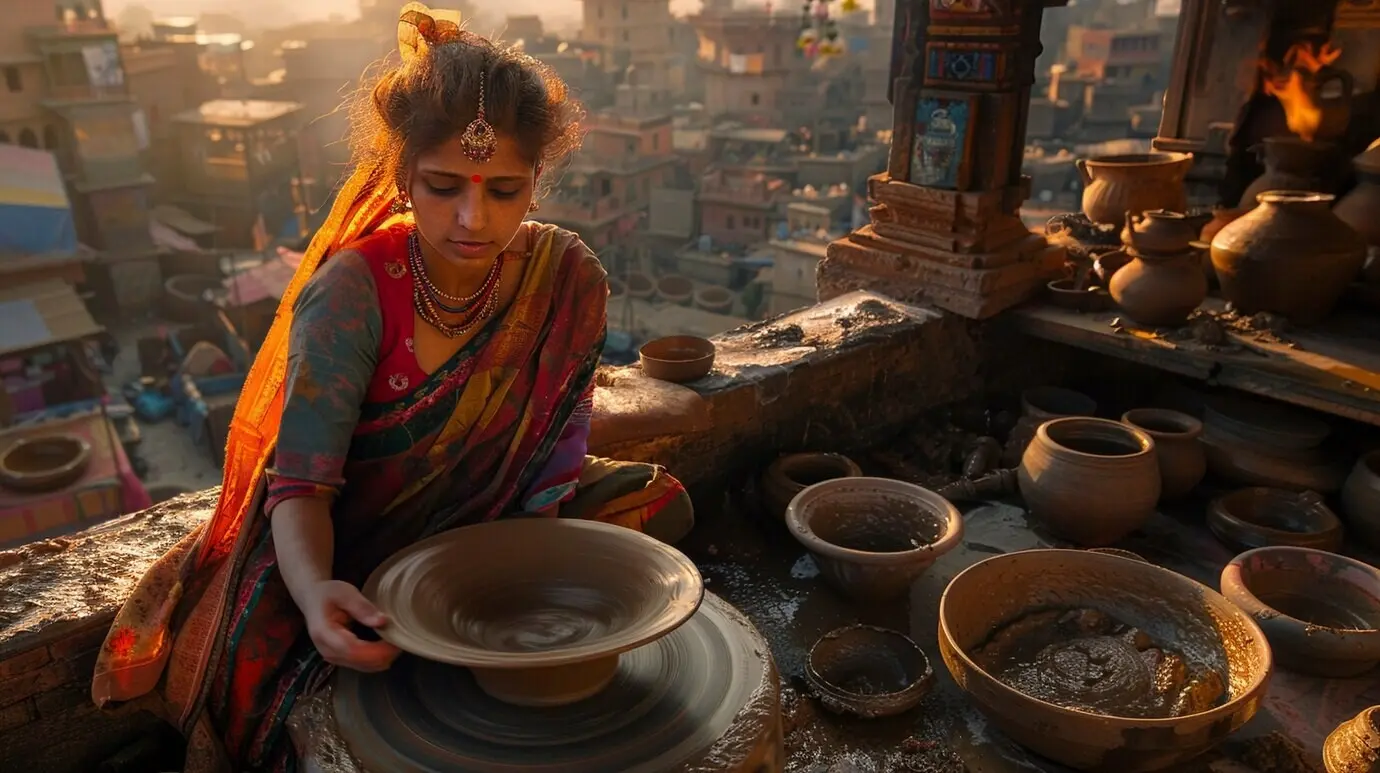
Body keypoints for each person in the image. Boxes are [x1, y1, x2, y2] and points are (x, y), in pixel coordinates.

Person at [89, 5, 693, 771]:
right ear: (403, 176)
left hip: (504, 518)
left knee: (664, 509)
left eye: (504, 189)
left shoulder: (566, 277)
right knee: (278, 700)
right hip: (353, 543)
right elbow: (301, 487)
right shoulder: (353, 293)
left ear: (538, 181)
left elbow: (558, 441)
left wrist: (535, 570)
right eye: (444, 186)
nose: (474, 217)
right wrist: (314, 596)